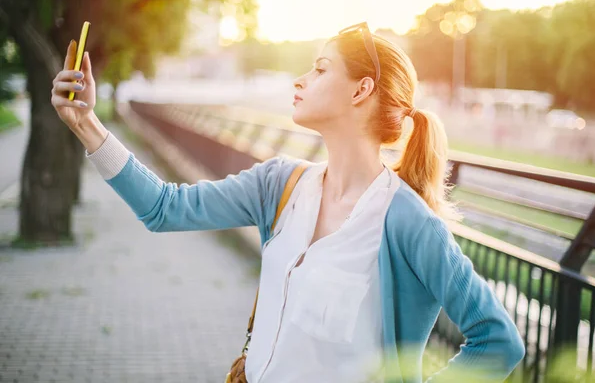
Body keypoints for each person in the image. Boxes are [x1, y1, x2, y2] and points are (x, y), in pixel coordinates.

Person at [51, 22, 525, 383]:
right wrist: (87, 124)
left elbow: (498, 339)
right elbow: (163, 208)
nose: (300, 79)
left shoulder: (407, 222)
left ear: (361, 90)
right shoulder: (279, 184)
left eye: (320, 69)